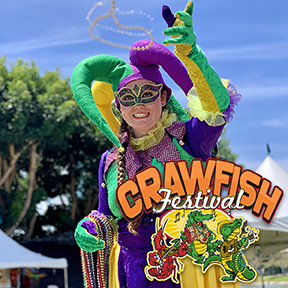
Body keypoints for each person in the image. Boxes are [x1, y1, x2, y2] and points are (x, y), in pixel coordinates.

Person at [71, 1, 241, 288]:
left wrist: (191, 54)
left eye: (147, 94)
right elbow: (107, 217)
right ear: (118, 108)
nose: (138, 105)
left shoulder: (190, 137)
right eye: (127, 97)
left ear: (163, 98)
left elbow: (217, 109)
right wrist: (90, 228)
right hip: (132, 271)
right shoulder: (111, 159)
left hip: (190, 269)